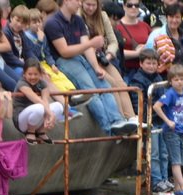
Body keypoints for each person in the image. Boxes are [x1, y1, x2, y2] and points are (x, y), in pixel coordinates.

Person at [44, 0, 136, 136]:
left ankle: (118, 121)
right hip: (64, 61)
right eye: (77, 1)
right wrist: (91, 43)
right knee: (91, 90)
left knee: (104, 86)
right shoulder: (53, 23)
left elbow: (86, 47)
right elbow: (64, 51)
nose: (79, 4)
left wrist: (95, 67)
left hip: (81, 58)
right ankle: (108, 128)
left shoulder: (78, 20)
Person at [154, 64, 183, 195]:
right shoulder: (170, 93)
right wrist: (168, 121)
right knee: (176, 161)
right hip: (171, 131)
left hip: (181, 130)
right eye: (176, 79)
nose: (179, 82)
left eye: (181, 79)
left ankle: (179, 187)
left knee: (181, 158)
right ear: (171, 81)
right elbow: (157, 106)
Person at [14, 58, 65, 143]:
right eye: (30, 74)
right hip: (21, 119)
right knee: (39, 107)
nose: (33, 77)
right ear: (24, 74)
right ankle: (31, 131)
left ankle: (41, 131)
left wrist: (46, 117)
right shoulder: (22, 83)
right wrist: (50, 114)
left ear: (40, 74)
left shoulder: (42, 83)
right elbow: (37, 100)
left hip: (37, 116)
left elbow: (45, 100)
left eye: (36, 74)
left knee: (59, 106)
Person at [115, 0, 152, 75]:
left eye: (136, 5)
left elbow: (154, 44)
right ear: (124, 6)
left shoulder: (145, 26)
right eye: (130, 5)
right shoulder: (117, 27)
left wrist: (146, 48)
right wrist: (137, 53)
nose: (133, 7)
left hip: (147, 71)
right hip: (127, 71)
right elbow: (116, 52)